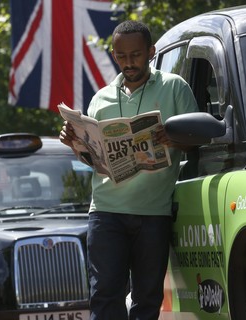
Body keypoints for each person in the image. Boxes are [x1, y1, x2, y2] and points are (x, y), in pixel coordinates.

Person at [59, 20, 198, 319]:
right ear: (113, 54)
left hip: (153, 213)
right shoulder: (101, 98)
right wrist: (76, 144)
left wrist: (174, 140)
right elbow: (93, 160)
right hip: (106, 212)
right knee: (105, 294)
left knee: (147, 298)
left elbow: (198, 141)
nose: (128, 62)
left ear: (151, 52)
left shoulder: (174, 87)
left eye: (135, 55)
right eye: (121, 56)